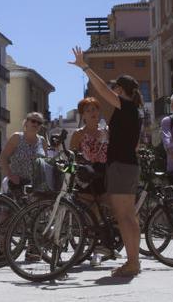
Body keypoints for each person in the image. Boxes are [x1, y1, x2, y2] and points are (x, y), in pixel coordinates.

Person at [69, 46, 143, 277]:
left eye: (116, 88)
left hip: (121, 167)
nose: (112, 90)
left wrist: (85, 67)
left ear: (122, 90)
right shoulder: (137, 111)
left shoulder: (127, 105)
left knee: (124, 217)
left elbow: (100, 88)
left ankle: (132, 263)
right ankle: (134, 261)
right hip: (128, 165)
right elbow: (134, 143)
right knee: (130, 217)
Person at [68, 97, 112, 266]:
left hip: (103, 174)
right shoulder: (78, 134)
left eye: (95, 109)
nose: (93, 113)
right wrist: (71, 177)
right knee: (89, 216)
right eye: (88, 111)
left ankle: (105, 246)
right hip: (87, 175)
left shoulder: (106, 131)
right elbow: (72, 157)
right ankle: (94, 251)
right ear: (83, 115)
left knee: (104, 213)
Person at [0, 112, 47, 200]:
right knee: (10, 212)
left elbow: (45, 164)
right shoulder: (17, 137)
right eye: (33, 121)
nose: (36, 124)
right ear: (26, 122)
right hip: (16, 183)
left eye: (39, 122)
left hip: (34, 187)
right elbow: (3, 157)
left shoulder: (42, 141)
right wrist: (10, 175)